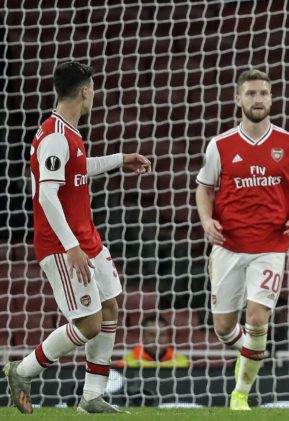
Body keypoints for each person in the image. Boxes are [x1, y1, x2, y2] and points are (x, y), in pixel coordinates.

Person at [3, 61, 151, 414]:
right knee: (88, 323)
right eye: (94, 89)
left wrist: (119, 160)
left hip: (87, 237)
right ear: (85, 90)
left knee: (112, 304)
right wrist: (71, 247)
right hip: (61, 245)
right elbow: (47, 196)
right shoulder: (55, 136)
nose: (94, 96)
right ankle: (21, 371)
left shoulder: (68, 132)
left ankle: (92, 396)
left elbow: (78, 169)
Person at [195, 69, 289, 411]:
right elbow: (203, 188)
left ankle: (240, 394)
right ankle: (250, 350)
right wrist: (206, 221)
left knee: (258, 318)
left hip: (271, 246)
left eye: (263, 93)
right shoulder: (219, 145)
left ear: (272, 98)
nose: (258, 99)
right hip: (229, 245)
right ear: (238, 99)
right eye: (251, 94)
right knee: (223, 328)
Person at [115, 316, 190, 368]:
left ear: (168, 338)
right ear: (143, 338)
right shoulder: (127, 362)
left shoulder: (183, 362)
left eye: (162, 334)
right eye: (151, 335)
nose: (157, 340)